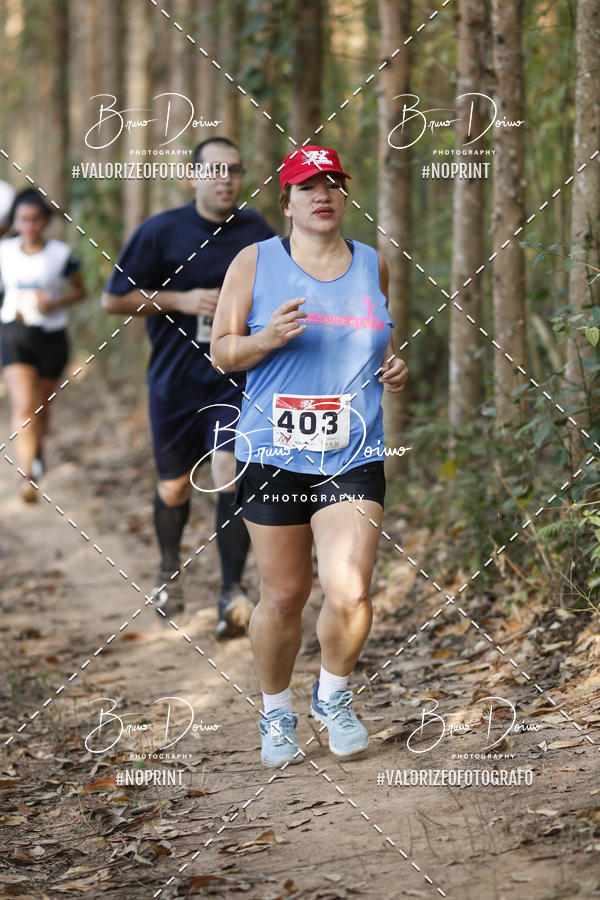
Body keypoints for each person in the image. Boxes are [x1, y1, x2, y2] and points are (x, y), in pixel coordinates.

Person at [210, 144, 409, 767]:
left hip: (353, 448)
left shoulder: (373, 263)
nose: (322, 195)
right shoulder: (255, 261)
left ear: (344, 196)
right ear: (287, 203)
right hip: (274, 449)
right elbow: (222, 351)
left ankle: (333, 696)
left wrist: (393, 365)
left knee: (350, 590)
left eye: (332, 184)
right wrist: (266, 339)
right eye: (307, 186)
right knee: (284, 595)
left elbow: (379, 338)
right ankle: (276, 712)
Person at [102, 137, 275, 636]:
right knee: (174, 486)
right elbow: (114, 300)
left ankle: (231, 592)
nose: (226, 179)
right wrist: (180, 299)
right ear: (192, 176)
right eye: (215, 170)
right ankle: (168, 570)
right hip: (175, 382)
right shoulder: (160, 232)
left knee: (229, 470)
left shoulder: (256, 232)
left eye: (234, 170)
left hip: (234, 379)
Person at [0, 188, 86, 502]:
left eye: (35, 219)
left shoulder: (60, 254)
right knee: (24, 404)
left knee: (42, 406)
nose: (29, 226)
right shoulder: (4, 252)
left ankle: (36, 453)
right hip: (14, 334)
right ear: (15, 221)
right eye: (23, 219)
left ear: (45, 221)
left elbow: (80, 292)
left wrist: (54, 303)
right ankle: (28, 476)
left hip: (51, 337)